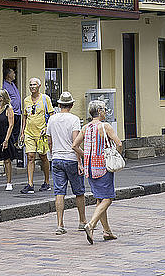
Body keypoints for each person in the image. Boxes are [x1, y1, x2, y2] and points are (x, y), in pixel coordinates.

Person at [72, 99, 122, 244]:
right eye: (104, 110)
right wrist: (115, 156)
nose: (105, 112)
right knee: (108, 198)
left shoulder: (85, 127)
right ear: (99, 111)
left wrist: (86, 156)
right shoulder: (105, 126)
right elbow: (119, 143)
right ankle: (91, 224)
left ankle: (107, 232)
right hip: (103, 167)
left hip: (89, 168)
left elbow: (75, 145)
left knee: (100, 198)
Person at [46, 91, 87, 234]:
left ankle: (60, 224)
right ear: (72, 104)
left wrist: (52, 154)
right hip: (70, 158)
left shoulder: (52, 119)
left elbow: (49, 140)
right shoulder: (74, 119)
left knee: (59, 192)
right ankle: (82, 221)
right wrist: (80, 161)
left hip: (57, 158)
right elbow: (75, 141)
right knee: (79, 192)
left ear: (59, 104)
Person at [19, 77, 54, 193]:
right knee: (30, 156)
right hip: (29, 132)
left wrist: (46, 127)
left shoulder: (45, 99)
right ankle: (30, 184)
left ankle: (47, 181)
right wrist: (22, 132)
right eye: (30, 85)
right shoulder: (26, 100)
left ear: (39, 86)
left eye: (34, 85)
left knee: (43, 157)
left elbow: (51, 115)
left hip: (41, 133)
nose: (32, 87)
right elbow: (24, 116)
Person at [2, 67, 23, 164]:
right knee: (12, 133)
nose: (14, 74)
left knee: (16, 133)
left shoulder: (13, 84)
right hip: (12, 113)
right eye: (13, 73)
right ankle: (11, 153)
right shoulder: (5, 85)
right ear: (8, 75)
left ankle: (14, 152)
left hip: (18, 112)